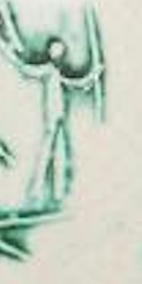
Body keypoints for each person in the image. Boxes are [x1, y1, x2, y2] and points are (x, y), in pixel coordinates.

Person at [20, 37, 102, 207]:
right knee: (46, 154)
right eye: (55, 51)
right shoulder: (47, 70)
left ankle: (58, 193)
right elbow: (28, 70)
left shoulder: (61, 73)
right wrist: (15, 58)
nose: (58, 55)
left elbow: (77, 83)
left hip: (60, 117)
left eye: (60, 52)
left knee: (60, 154)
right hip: (51, 118)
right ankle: (36, 191)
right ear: (50, 53)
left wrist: (94, 74)